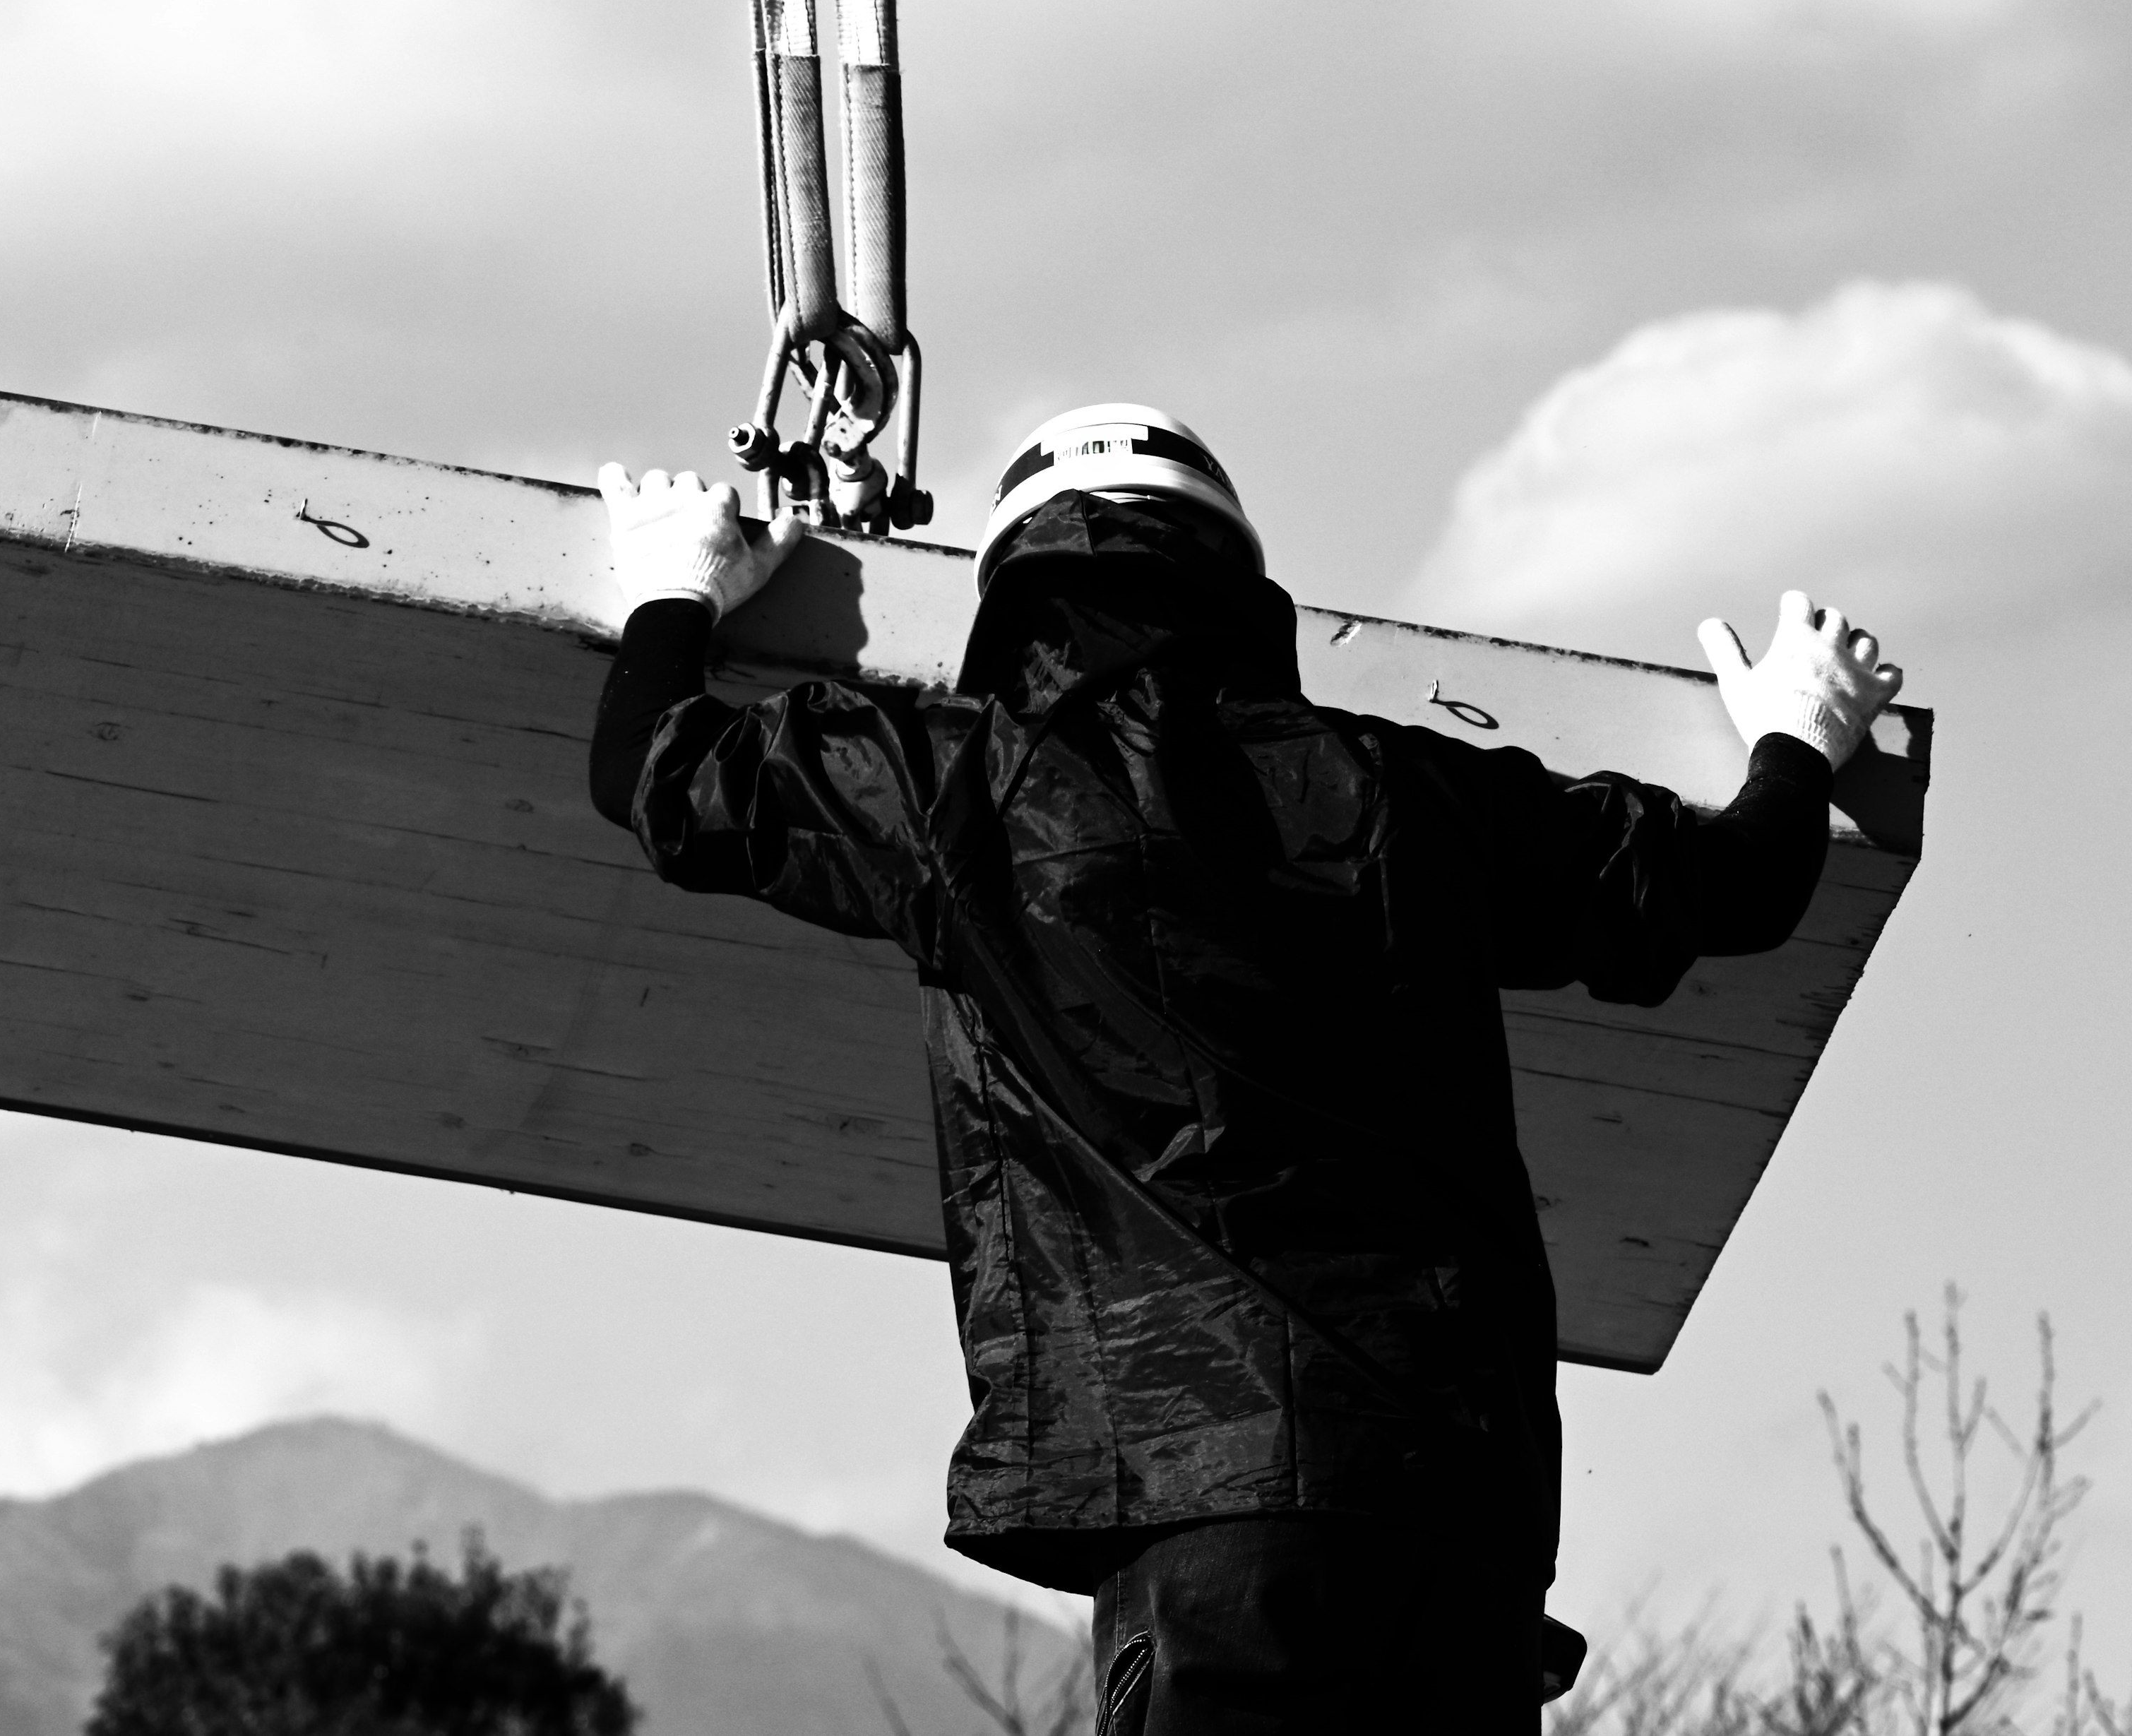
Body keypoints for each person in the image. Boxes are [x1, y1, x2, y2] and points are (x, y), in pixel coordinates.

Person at [585, 403, 1904, 1733]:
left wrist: (673, 586)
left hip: (1212, 1501)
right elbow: (1733, 884)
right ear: (1235, 581)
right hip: (1463, 1525)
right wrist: (1799, 731)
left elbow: (653, 767)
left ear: (1016, 599)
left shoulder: (962, 793)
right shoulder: (1416, 801)